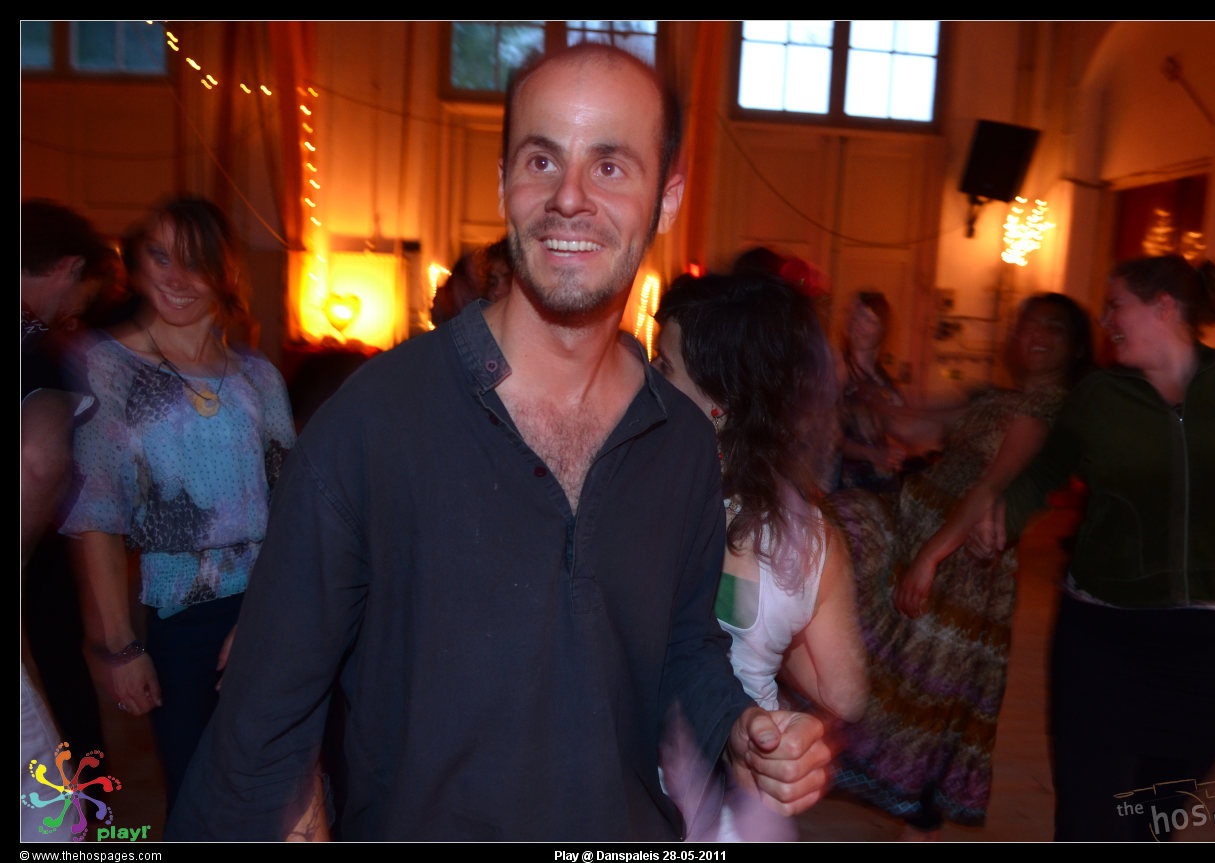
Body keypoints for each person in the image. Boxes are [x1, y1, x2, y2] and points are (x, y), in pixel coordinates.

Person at [166, 44, 830, 842]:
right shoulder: (375, 421)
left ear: (667, 196)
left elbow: (684, 647)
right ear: (503, 182)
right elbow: (263, 714)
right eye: (541, 160)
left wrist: (740, 729)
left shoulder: (682, 443)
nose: (569, 197)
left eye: (610, 165)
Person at [979, 256, 1215, 841]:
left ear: (1164, 308)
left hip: (1214, 642)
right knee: (1087, 814)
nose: (1105, 321)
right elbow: (1045, 471)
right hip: (1102, 635)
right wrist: (1001, 517)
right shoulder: (1100, 396)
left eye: (1116, 306)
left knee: (1155, 818)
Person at [58, 195, 296, 810]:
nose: (176, 277)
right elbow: (96, 519)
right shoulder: (107, 368)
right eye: (161, 257)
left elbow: (294, 512)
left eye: (195, 262)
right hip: (180, 621)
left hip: (268, 612)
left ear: (224, 272)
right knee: (195, 799)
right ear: (137, 265)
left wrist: (265, 620)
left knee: (271, 797)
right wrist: (119, 647)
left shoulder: (258, 377)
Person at [827, 292, 1094, 838]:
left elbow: (992, 483)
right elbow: (916, 426)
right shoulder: (998, 397)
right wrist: (853, 389)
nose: (1036, 335)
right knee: (891, 666)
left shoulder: (1048, 407)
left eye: (1053, 327)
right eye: (1028, 324)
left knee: (925, 688)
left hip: (960, 566)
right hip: (922, 528)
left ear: (1074, 348)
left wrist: (930, 557)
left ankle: (915, 810)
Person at [653, 273, 867, 841]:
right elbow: (845, 694)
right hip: (750, 796)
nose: (648, 378)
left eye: (664, 366)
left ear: (718, 403)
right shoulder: (812, 538)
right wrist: (774, 638)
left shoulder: (651, 507)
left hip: (657, 787)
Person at [21, 199, 116, 843]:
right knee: (50, 822)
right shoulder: (34, 348)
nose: (76, 311)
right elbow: (39, 458)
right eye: (84, 292)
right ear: (69, 268)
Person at [835, 291, 908, 493]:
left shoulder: (882, 378)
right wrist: (871, 454)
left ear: (881, 330)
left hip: (882, 486)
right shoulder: (839, 371)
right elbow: (829, 437)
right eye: (856, 315)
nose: (858, 323)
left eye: (869, 319)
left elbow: (900, 428)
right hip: (849, 489)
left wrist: (895, 448)